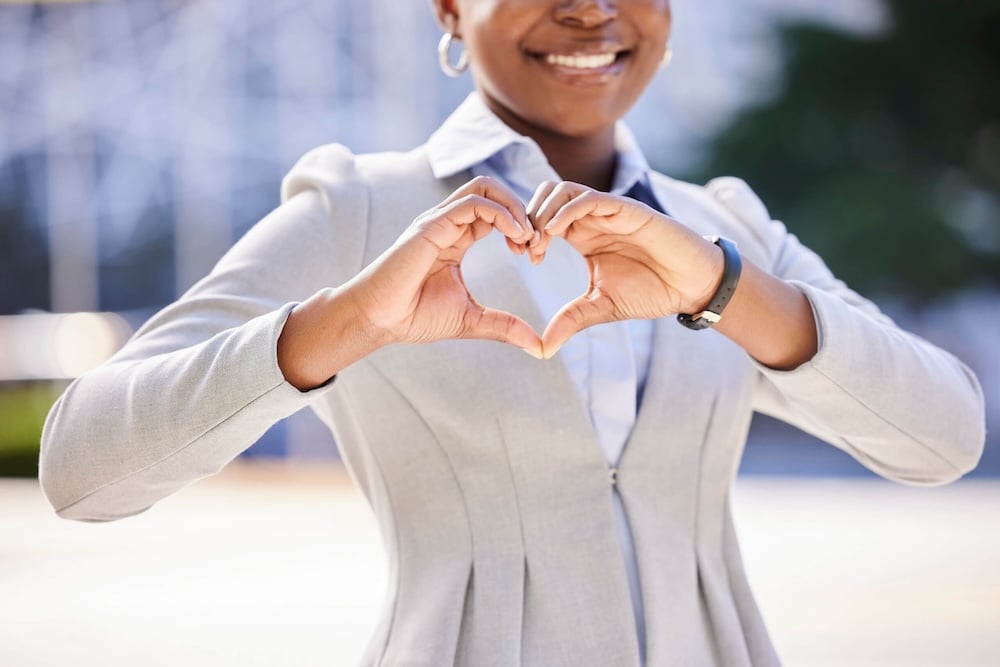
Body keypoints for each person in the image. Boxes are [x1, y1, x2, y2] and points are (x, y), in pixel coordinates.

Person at [40, 1, 985, 665]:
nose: (591, 9)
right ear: (450, 9)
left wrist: (723, 286)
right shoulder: (356, 214)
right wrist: (342, 325)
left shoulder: (723, 228)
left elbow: (945, 439)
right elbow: (81, 465)